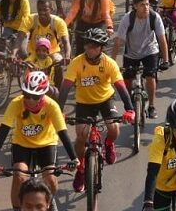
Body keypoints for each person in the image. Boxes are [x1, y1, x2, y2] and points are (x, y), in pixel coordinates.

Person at [0, 72, 79, 211]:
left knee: (50, 177)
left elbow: (63, 133)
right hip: (22, 143)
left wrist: (74, 158)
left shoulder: (52, 106)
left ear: (42, 95)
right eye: (26, 94)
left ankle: (49, 202)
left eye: (35, 97)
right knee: (19, 176)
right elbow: (3, 132)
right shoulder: (16, 103)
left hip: (46, 143)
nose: (29, 100)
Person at [58, 28, 136, 186]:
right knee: (81, 136)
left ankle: (108, 144)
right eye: (87, 45)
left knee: (114, 129)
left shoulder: (110, 63)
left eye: (94, 46)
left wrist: (130, 109)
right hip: (84, 103)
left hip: (105, 100)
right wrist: (59, 111)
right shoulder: (77, 62)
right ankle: (80, 168)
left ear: (101, 47)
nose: (89, 49)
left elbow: (121, 87)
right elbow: (65, 88)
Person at [112, 0, 169, 119]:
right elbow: (118, 42)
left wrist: (165, 60)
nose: (146, 7)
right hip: (131, 53)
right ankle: (131, 106)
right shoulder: (127, 18)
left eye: (148, 4)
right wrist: (112, 63)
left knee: (150, 77)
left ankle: (152, 106)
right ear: (135, 6)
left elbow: (162, 39)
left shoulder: (155, 17)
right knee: (127, 80)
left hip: (150, 50)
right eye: (142, 5)